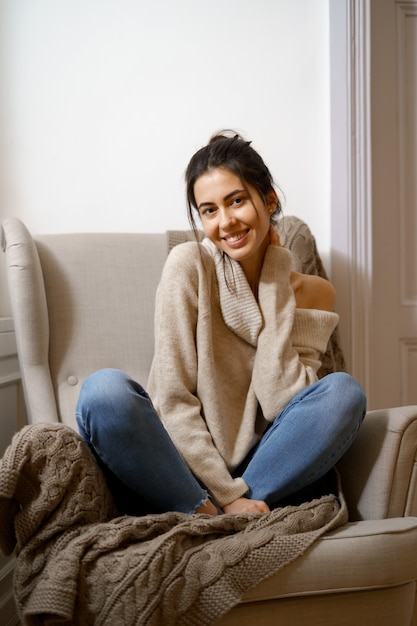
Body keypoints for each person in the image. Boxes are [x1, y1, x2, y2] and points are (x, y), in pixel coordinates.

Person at [76, 131, 366, 517]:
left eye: (237, 201)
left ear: (269, 199)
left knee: (343, 394)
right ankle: (212, 513)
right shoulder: (188, 265)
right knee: (103, 392)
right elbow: (174, 399)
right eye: (209, 210)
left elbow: (281, 398)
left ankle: (224, 514)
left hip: (263, 469)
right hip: (180, 468)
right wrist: (225, 497)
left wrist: (275, 280)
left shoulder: (315, 293)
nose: (226, 222)